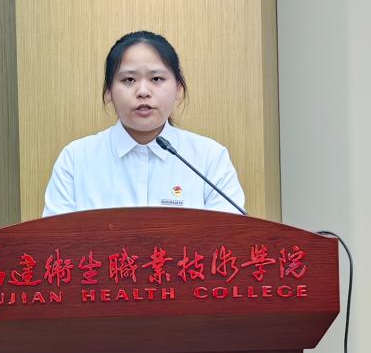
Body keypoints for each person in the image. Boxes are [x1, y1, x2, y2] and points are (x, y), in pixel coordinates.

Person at [43, 31, 245, 216]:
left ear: (178, 89)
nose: (143, 91)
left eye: (156, 79)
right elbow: (55, 239)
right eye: (129, 80)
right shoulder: (76, 159)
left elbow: (230, 236)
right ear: (108, 91)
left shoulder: (209, 158)